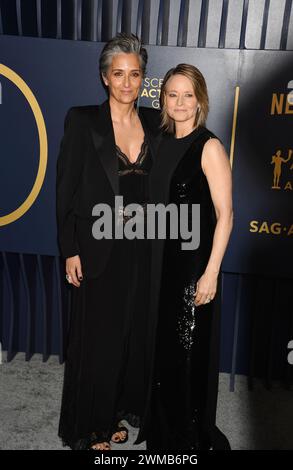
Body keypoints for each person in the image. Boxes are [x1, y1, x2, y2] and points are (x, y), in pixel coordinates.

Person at [56, 33, 161, 450]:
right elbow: (65, 190)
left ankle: (116, 412)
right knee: (95, 341)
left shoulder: (155, 122)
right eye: (118, 74)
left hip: (142, 248)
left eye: (134, 74)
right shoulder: (82, 120)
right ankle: (91, 427)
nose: (126, 83)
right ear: (104, 77)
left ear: (142, 79)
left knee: (130, 337)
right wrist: (70, 249)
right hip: (96, 248)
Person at [145, 64, 233, 451]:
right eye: (172, 95)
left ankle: (190, 440)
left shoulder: (209, 146)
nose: (179, 103)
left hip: (194, 267)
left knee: (187, 357)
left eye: (188, 95)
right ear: (163, 99)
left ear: (200, 100)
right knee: (162, 355)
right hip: (161, 265)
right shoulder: (160, 140)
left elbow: (226, 214)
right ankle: (164, 437)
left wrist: (211, 273)